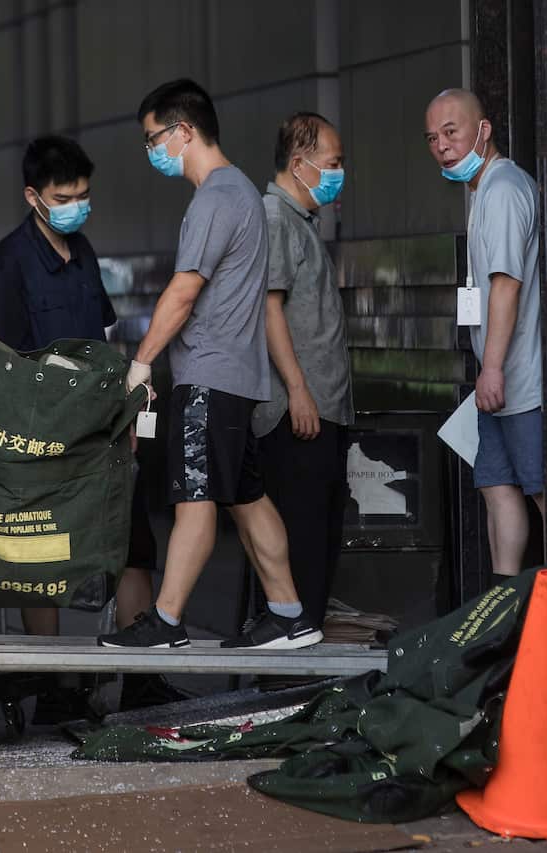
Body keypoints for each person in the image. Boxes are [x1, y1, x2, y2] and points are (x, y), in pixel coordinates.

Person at [97, 79, 320, 650]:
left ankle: (166, 621)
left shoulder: (217, 198)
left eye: (154, 139)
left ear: (184, 131)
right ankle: (289, 613)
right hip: (238, 379)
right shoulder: (241, 193)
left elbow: (182, 291)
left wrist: (142, 361)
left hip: (209, 376)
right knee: (245, 498)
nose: (152, 152)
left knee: (192, 498)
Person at [0, 135, 183, 714]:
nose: (76, 205)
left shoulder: (85, 252)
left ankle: (143, 678)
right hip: (41, 436)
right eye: (64, 196)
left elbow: (105, 340)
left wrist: (124, 416)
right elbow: (0, 368)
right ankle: (54, 686)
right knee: (40, 556)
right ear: (33, 197)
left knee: (131, 545)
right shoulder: (6, 266)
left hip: (101, 431)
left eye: (84, 195)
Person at [424, 88, 546, 581]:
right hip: (496, 384)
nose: (442, 146)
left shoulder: (502, 190)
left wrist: (491, 367)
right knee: (497, 487)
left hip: (520, 380)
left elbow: (506, 284)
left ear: (484, 129)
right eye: (433, 138)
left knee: (543, 492)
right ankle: (504, 596)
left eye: (451, 132)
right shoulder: (482, 191)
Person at [250, 113, 354, 631]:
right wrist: (298, 391)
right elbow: (269, 310)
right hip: (297, 417)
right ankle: (287, 672)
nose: (339, 173)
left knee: (317, 544)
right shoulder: (274, 217)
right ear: (299, 164)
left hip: (318, 409)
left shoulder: (301, 222)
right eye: (332, 164)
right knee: (300, 548)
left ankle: (297, 661)